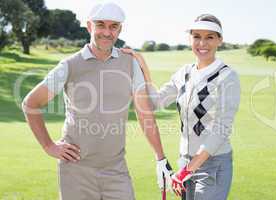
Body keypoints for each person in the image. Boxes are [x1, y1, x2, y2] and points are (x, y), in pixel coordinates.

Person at [22, 2, 173, 200]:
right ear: (89, 26)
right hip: (76, 172)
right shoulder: (69, 65)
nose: (107, 32)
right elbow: (30, 103)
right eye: (101, 25)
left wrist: (161, 159)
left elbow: (144, 113)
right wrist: (49, 146)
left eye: (113, 26)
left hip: (116, 170)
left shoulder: (130, 63)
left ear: (120, 29)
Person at [121, 14, 240, 200]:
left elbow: (220, 130)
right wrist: (142, 64)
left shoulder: (227, 77)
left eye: (210, 37)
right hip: (185, 161)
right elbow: (156, 102)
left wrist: (187, 171)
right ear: (190, 39)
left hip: (212, 165)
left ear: (220, 40)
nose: (202, 43)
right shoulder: (184, 73)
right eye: (197, 36)